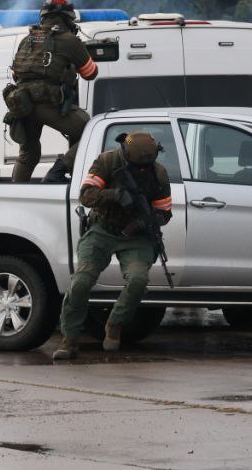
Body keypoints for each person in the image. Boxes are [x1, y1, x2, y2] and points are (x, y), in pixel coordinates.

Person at [54, 132, 173, 360]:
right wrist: (115, 194)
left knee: (138, 280)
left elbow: (164, 212)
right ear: (126, 156)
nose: (141, 171)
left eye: (144, 167)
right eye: (136, 166)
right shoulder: (107, 162)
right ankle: (69, 340)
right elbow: (86, 195)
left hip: (137, 236)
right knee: (81, 282)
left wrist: (144, 222)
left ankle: (115, 324)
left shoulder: (158, 173)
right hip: (103, 229)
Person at [5, 0, 98, 183]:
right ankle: (59, 170)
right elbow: (90, 73)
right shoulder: (69, 40)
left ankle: (15, 193)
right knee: (90, 132)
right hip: (47, 102)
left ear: (43, 16)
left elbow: (17, 74)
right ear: (68, 18)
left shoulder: (27, 39)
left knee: (29, 153)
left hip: (21, 104)